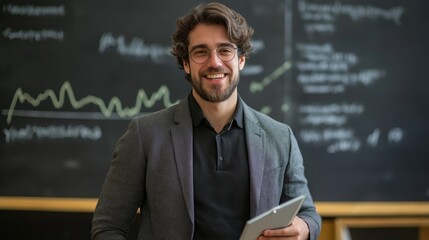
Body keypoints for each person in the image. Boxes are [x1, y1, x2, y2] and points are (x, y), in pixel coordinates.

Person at [91, 2, 321, 240]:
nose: (215, 62)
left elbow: (308, 215)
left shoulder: (280, 137)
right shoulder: (145, 135)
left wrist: (303, 228)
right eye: (201, 51)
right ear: (186, 64)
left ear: (241, 59)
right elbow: (107, 228)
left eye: (225, 50)